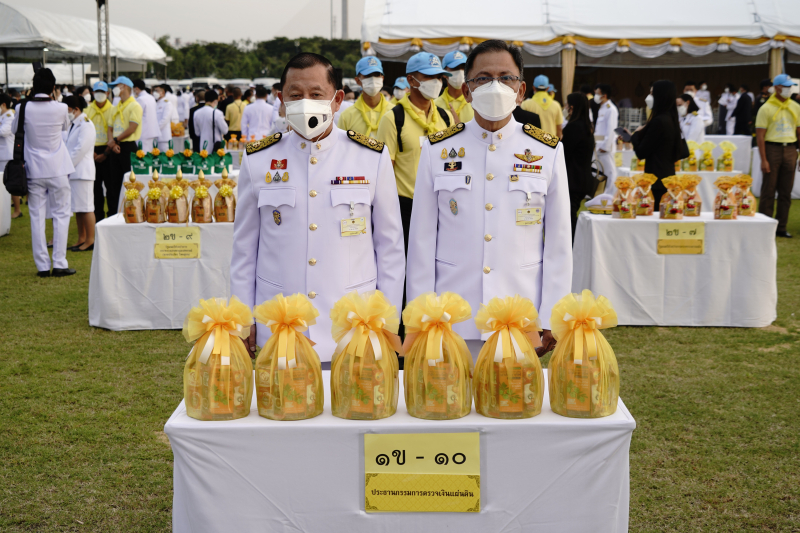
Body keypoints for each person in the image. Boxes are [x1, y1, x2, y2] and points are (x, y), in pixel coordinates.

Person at [231, 52, 404, 360]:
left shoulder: (370, 157)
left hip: (353, 324)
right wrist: (243, 318)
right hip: (281, 324)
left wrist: (387, 320)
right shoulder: (258, 160)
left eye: (316, 94)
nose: (305, 102)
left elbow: (389, 248)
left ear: (337, 99)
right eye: (295, 95)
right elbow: (244, 249)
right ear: (281, 102)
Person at [406, 39, 572, 360]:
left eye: (506, 77)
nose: (495, 86)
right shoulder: (436, 149)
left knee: (513, 405)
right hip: (453, 316)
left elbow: (559, 243)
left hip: (520, 312)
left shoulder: (547, 151)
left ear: (521, 91)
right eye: (483, 78)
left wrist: (552, 312)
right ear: (467, 91)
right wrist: (421, 314)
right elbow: (422, 241)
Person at [376, 51, 454, 254]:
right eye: (429, 77)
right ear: (411, 79)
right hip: (407, 208)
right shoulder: (393, 118)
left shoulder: (445, 118)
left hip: (441, 206)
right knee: (409, 269)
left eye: (439, 77)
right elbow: (384, 172)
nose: (437, 82)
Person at [12, 68, 75, 277]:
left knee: (36, 217)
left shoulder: (23, 108)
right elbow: (65, 128)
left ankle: (41, 266)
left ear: (33, 87)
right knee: (61, 215)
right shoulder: (61, 107)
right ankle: (59, 263)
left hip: (33, 170)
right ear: (53, 88)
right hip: (58, 169)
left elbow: (14, 130)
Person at [755, 74, 800, 238]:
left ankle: (781, 227)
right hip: (772, 148)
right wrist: (764, 159)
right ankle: (765, 226)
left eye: (791, 86)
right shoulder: (766, 108)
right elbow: (760, 136)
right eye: (787, 86)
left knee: (786, 191)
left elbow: (799, 132)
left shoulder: (795, 107)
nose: (790, 89)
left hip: (790, 149)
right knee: (768, 190)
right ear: (777, 87)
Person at [631, 80, 684, 205]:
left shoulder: (659, 121)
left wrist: (635, 135)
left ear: (661, 97)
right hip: (667, 176)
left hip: (656, 180)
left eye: (652, 94)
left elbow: (641, 152)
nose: (648, 98)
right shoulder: (670, 118)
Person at [63, 95, 96, 252]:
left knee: (86, 207)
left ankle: (90, 239)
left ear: (75, 109)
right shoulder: (74, 123)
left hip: (82, 171)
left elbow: (80, 149)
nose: (66, 112)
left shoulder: (85, 124)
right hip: (75, 171)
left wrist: (66, 166)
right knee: (78, 207)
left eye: (68, 109)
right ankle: (81, 238)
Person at [107, 76, 143, 218]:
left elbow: (132, 128)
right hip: (115, 146)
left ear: (125, 87)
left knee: (130, 181)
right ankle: (115, 213)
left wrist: (115, 140)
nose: (114, 88)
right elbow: (110, 127)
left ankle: (132, 211)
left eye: (117, 85)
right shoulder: (116, 107)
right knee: (113, 183)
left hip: (128, 147)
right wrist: (112, 142)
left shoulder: (135, 106)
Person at [562, 92, 596, 237]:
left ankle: (572, 245)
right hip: (583, 178)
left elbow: (564, 153)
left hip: (573, 179)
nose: (564, 107)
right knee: (572, 212)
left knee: (569, 216)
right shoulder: (587, 127)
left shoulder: (573, 127)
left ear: (572, 107)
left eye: (566, 104)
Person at [337, 56, 393, 138]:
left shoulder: (395, 113)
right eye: (368, 75)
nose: (373, 80)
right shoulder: (347, 116)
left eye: (376, 75)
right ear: (357, 80)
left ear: (382, 78)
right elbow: (341, 146)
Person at [86, 82, 115, 222]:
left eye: (102, 91)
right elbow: (83, 134)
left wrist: (106, 153)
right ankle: (97, 218)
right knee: (95, 188)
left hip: (108, 151)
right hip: (91, 151)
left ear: (108, 94)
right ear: (92, 93)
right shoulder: (87, 111)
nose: (99, 94)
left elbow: (116, 132)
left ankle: (112, 217)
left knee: (111, 187)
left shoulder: (113, 110)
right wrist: (92, 153)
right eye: (97, 91)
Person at [435, 50, 473, 123]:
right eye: (455, 68)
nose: (461, 72)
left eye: (464, 68)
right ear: (444, 73)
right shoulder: (435, 104)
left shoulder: (476, 103)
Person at [593, 83, 618, 195]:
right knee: (600, 172)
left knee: (610, 172)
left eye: (598, 93)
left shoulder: (610, 109)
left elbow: (611, 129)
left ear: (604, 95)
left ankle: (610, 194)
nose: (596, 96)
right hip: (598, 146)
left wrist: (605, 146)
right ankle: (601, 193)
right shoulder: (602, 108)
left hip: (605, 147)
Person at [0, 93, 21, 219]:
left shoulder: (9, 116)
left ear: (3, 105)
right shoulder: (3, 116)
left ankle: (17, 210)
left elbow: (4, 131)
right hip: (2, 155)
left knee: (10, 183)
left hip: (7, 155)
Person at [132, 79, 159, 153]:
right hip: (152, 132)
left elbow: (136, 117)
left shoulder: (140, 99)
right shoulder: (151, 97)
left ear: (136, 88)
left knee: (143, 157)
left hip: (144, 133)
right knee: (150, 156)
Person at [153, 84, 174, 152]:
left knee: (165, 158)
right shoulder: (155, 103)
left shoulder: (167, 103)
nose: (155, 93)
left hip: (164, 137)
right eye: (154, 91)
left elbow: (165, 119)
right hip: (155, 137)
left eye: (157, 91)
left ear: (163, 92)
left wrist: (155, 129)